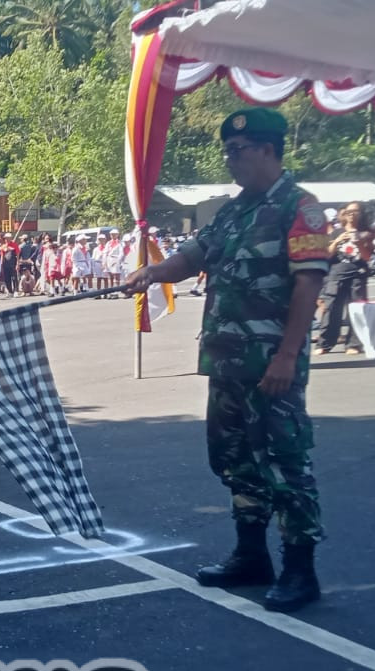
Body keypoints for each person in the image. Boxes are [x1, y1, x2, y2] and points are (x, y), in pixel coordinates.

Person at [122, 107, 329, 612]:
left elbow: (308, 284)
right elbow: (194, 255)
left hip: (270, 368)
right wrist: (153, 272)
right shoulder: (234, 211)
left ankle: (300, 569)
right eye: (228, 152)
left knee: (285, 463)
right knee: (234, 462)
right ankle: (251, 556)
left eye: (238, 152)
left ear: (267, 149)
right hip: (227, 363)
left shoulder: (299, 208)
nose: (231, 160)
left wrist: (287, 354)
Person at [315, 202, 374, 354]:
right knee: (331, 308)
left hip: (358, 274)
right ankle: (325, 343)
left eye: (356, 212)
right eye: (349, 212)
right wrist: (337, 240)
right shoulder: (335, 232)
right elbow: (327, 254)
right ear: (343, 214)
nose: (352, 215)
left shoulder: (367, 233)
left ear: (361, 215)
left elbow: (367, 257)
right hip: (336, 273)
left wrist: (360, 243)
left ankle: (354, 344)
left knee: (356, 309)